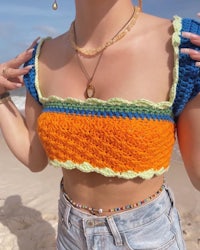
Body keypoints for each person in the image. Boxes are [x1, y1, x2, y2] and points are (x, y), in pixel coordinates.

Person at [0, 0, 200, 249]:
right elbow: (34, 156)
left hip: (148, 236)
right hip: (69, 234)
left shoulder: (183, 47)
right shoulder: (41, 59)